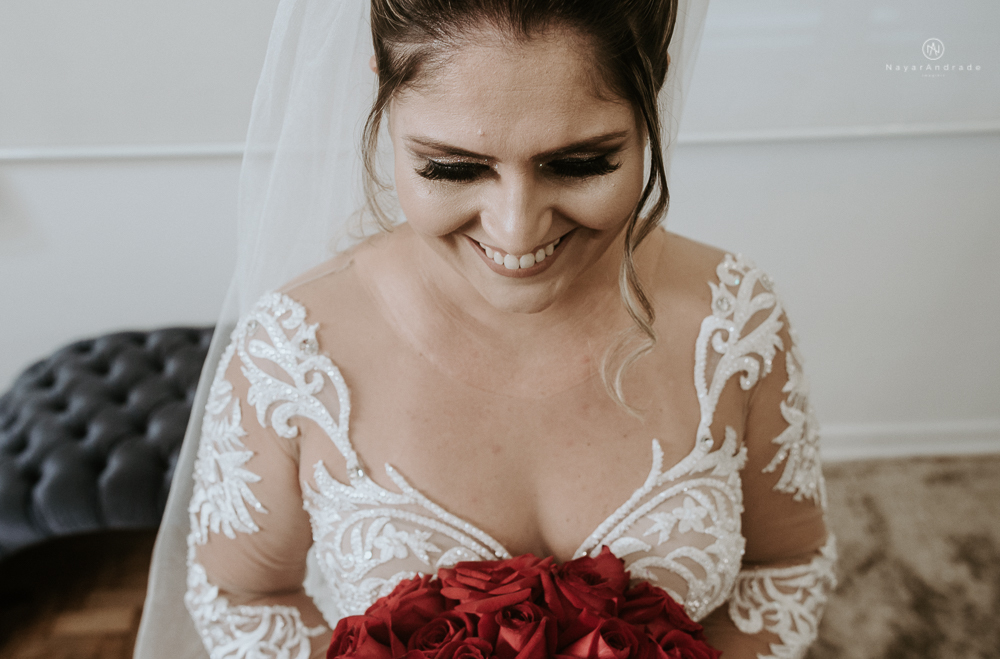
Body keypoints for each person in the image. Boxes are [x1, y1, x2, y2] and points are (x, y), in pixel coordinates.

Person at [134, 1, 836, 658]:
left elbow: (788, 562)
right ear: (381, 85)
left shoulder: (733, 319)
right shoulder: (294, 349)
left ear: (652, 87)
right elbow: (243, 593)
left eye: (580, 162)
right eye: (452, 168)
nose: (516, 229)